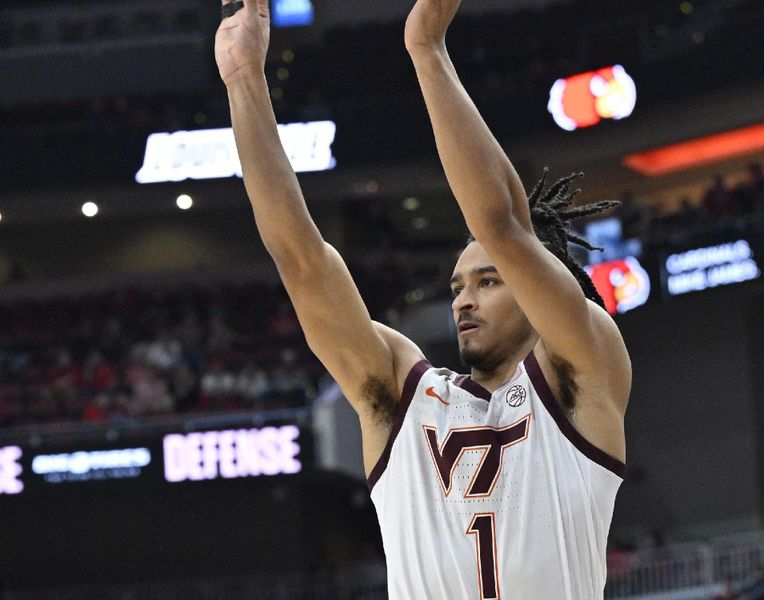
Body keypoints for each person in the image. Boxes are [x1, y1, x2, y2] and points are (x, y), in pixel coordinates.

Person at [215, 0, 631, 598]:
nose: (464, 300)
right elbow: (301, 260)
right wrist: (244, 82)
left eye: (489, 281)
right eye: (457, 286)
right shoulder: (402, 397)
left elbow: (503, 225)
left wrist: (427, 49)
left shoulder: (583, 373)